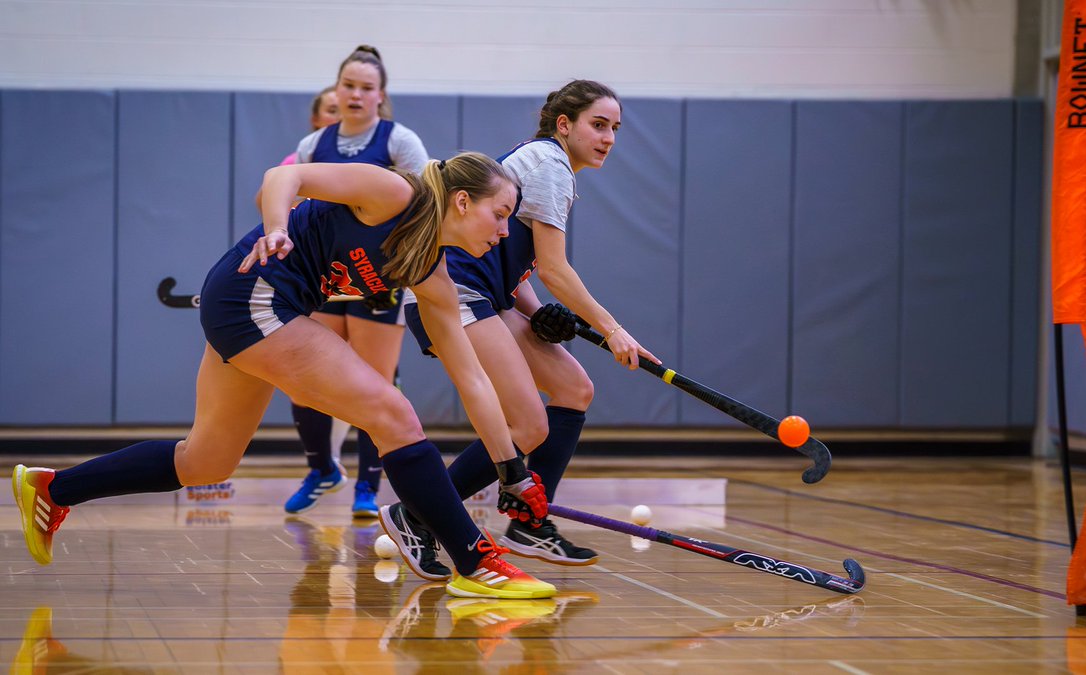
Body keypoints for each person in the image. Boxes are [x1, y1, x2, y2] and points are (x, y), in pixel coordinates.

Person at [12, 154, 556, 599]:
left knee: (205, 461)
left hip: (263, 309)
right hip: (256, 295)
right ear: (462, 202)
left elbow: (475, 382)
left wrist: (512, 471)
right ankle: (475, 560)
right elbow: (283, 176)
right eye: (501, 214)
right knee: (391, 413)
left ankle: (54, 488)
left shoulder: (431, 274)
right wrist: (276, 228)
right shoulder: (393, 193)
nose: (506, 231)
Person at [395, 80, 659, 576]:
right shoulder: (551, 166)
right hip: (456, 295)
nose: (608, 138)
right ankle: (419, 515)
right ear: (565, 125)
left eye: (615, 129)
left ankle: (528, 524)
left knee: (572, 388)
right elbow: (556, 268)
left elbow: (513, 265)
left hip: (489, 296)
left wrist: (535, 312)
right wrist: (613, 329)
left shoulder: (542, 164)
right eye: (597, 125)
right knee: (528, 425)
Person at [283, 45, 432, 520]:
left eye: (366, 88)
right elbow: (295, 206)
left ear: (380, 96)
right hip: (325, 279)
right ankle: (322, 468)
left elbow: (424, 211)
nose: (355, 94)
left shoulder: (399, 141)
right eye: (348, 85)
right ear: (337, 87)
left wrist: (404, 275)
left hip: (377, 281)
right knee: (306, 380)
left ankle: (367, 488)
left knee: (374, 383)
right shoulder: (314, 145)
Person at [279, 85, 340, 166]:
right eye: (332, 111)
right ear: (315, 119)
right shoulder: (294, 162)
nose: (341, 117)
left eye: (346, 111)